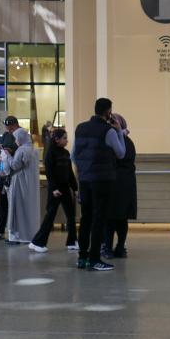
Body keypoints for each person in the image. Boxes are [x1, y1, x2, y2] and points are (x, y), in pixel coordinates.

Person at [73, 97, 125, 272]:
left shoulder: (80, 128)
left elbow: (74, 155)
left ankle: (82, 258)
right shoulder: (108, 131)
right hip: (102, 180)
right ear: (108, 112)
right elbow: (121, 153)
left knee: (85, 218)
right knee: (99, 219)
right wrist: (119, 131)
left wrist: (83, 171)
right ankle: (94, 259)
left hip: (84, 179)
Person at [30, 127, 78, 252]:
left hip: (65, 188)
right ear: (57, 139)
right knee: (50, 216)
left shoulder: (66, 153)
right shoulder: (50, 153)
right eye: (64, 138)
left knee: (71, 215)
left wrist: (75, 188)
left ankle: (72, 241)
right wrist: (54, 188)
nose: (67, 140)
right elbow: (49, 173)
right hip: (55, 189)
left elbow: (69, 172)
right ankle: (37, 242)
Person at [102, 113, 137, 259]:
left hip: (115, 184)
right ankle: (120, 248)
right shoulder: (128, 141)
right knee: (121, 218)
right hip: (126, 184)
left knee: (110, 218)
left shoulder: (115, 142)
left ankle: (108, 248)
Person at [3, 128, 41, 245]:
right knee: (30, 209)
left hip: (20, 183)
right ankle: (31, 234)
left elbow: (14, 165)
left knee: (18, 209)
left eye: (16, 138)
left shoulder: (21, 150)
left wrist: (8, 155)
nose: (15, 141)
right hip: (31, 184)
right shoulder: (34, 150)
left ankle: (19, 236)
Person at [0, 115, 20, 241]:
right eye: (7, 127)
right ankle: (0, 230)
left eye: (11, 127)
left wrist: (6, 149)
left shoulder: (21, 135)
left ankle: (15, 231)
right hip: (3, 173)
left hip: (14, 174)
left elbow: (15, 151)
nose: (9, 129)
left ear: (15, 125)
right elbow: (1, 152)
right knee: (1, 202)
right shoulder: (6, 135)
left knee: (14, 203)